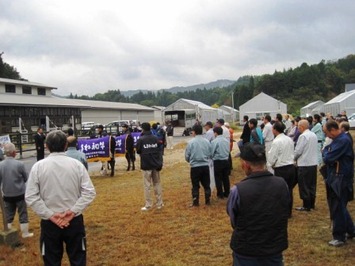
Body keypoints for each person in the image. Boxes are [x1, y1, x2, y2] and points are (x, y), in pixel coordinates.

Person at [25, 130, 96, 265]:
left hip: (51, 221)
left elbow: (31, 196)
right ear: (65, 145)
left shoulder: (39, 167)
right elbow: (89, 192)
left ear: (46, 146)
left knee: (52, 261)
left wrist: (50, 215)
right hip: (72, 220)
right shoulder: (76, 165)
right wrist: (73, 211)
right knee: (78, 259)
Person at [227, 143, 289, 265]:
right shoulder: (282, 184)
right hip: (274, 246)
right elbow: (284, 209)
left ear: (245, 164)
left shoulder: (238, 190)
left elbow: (233, 219)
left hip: (246, 249)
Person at [322, 121, 355, 246]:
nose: (327, 136)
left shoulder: (342, 141)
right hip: (337, 177)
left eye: (327, 133)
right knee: (340, 206)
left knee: (337, 207)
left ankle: (339, 237)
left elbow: (327, 157)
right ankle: (351, 230)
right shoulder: (338, 140)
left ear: (333, 130)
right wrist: (327, 152)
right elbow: (325, 150)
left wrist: (327, 153)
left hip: (340, 178)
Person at [0, 143, 34, 238]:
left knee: (9, 213)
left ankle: (9, 231)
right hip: (19, 192)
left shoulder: (1, 165)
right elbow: (26, 178)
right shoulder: (19, 164)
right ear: (14, 152)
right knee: (22, 213)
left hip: (7, 193)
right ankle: (25, 233)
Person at [267, 122, 296, 217]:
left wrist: (270, 164)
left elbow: (272, 157)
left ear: (275, 130)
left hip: (281, 168)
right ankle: (288, 212)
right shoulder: (289, 139)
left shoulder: (277, 141)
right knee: (289, 190)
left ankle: (281, 211)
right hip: (291, 166)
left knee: (280, 190)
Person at [136, 122, 164, 211]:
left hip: (146, 165)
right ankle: (159, 203)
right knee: (157, 184)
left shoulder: (141, 139)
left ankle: (148, 204)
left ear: (143, 129)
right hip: (156, 164)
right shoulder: (156, 138)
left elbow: (138, 151)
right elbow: (160, 150)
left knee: (147, 185)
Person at [294, 119, 318, 211]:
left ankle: (306, 205)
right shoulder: (313, 135)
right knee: (312, 184)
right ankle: (312, 204)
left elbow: (298, 151)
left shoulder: (303, 136)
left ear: (301, 127)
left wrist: (294, 158)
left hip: (304, 163)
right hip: (313, 163)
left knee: (304, 185)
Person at [185, 124, 212, 207]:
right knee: (207, 185)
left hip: (195, 167)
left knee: (195, 185)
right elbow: (210, 154)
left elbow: (187, 156)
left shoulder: (190, 142)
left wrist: (190, 160)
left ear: (194, 132)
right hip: (205, 166)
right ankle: (208, 201)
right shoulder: (207, 141)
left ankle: (195, 202)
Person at [211, 127, 230, 199]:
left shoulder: (214, 141)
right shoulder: (226, 140)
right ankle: (227, 192)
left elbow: (211, 152)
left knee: (218, 178)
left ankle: (220, 193)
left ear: (215, 133)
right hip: (226, 160)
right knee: (226, 177)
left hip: (218, 161)